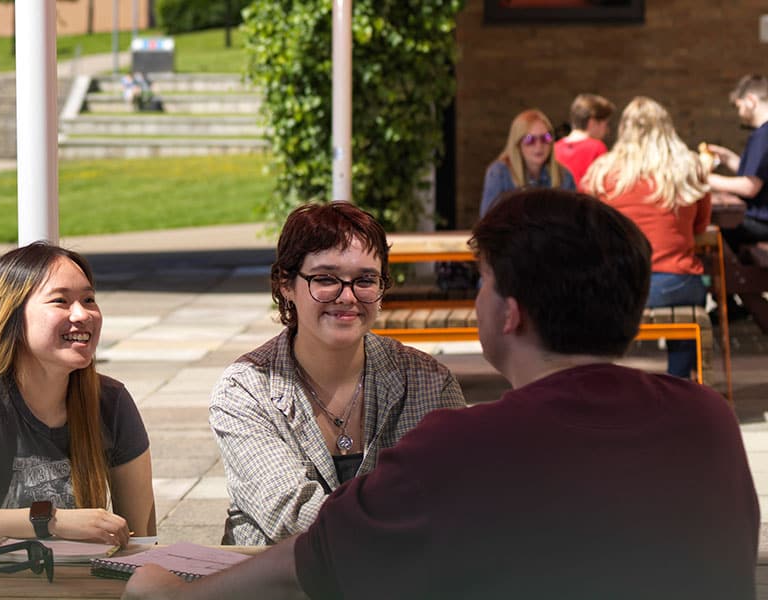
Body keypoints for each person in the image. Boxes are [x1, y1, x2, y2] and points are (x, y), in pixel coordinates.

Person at [123, 189, 758, 600]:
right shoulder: (709, 419)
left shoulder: (466, 443)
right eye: (325, 280)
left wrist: (174, 595)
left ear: (508, 312)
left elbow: (328, 551)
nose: (348, 296)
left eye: (479, 282)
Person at [211, 202, 465, 546]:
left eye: (365, 280)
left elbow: (458, 502)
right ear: (286, 284)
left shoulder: (429, 382)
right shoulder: (245, 389)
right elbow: (292, 518)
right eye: (326, 279)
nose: (347, 297)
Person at [0, 243, 156, 547]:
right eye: (61, 301)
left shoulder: (111, 401)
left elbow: (143, 539)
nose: (82, 314)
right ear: (10, 317)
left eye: (89, 299)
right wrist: (51, 521)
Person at [583, 97, 711, 379]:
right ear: (666, 126)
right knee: (694, 289)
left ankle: (604, 384)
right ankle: (678, 383)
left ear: (625, 129)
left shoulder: (602, 171)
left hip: (617, 284)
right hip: (674, 282)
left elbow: (585, 228)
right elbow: (701, 226)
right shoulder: (689, 167)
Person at [709, 75, 768, 255]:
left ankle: (731, 282)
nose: (739, 112)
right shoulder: (763, 132)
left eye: (738, 105)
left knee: (716, 225)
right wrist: (728, 158)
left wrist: (708, 179)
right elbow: (760, 173)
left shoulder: (763, 135)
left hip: (763, 223)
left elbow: (750, 187)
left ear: (750, 100)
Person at [480, 109, 575, 216]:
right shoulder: (499, 173)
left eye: (545, 138)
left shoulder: (564, 176)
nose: (539, 146)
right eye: (530, 140)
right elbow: (488, 220)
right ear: (517, 143)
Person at [554, 93, 615, 182]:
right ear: (592, 122)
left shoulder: (555, 147)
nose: (607, 130)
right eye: (606, 124)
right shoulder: (597, 148)